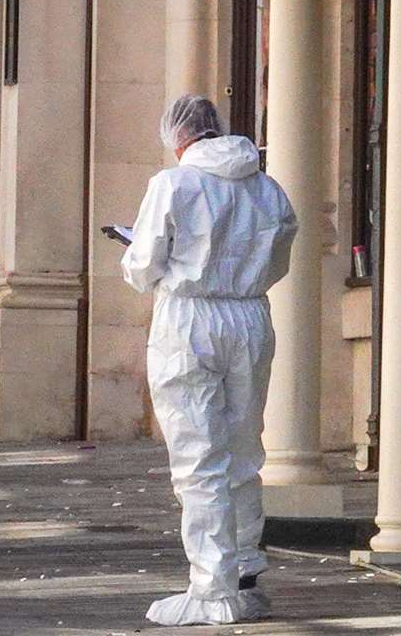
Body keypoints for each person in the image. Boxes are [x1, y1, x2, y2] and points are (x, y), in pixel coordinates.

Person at [121, 95, 299, 626]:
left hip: (189, 319)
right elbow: (278, 259)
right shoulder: (267, 188)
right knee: (244, 448)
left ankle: (212, 588)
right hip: (249, 317)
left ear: (177, 138)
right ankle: (245, 572)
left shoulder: (172, 184)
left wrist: (132, 257)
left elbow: (145, 262)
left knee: (198, 457)